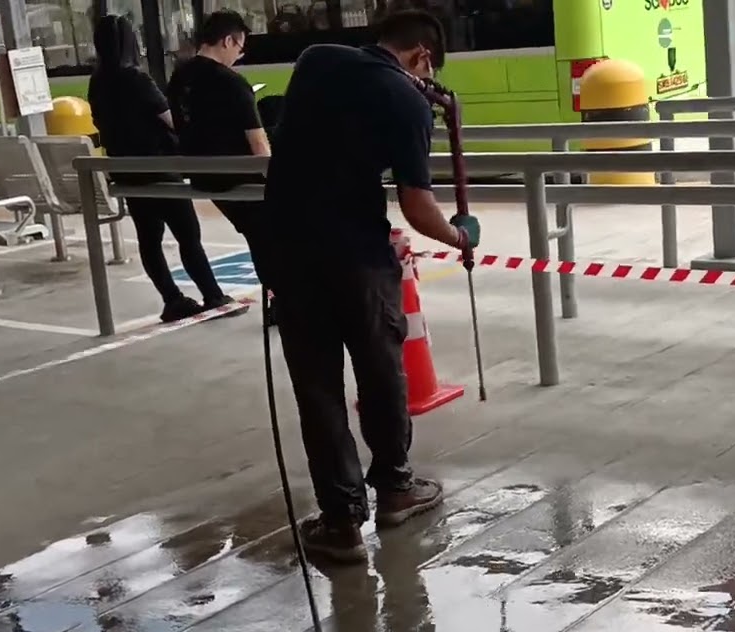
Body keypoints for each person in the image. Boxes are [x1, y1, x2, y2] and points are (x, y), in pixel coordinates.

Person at [262, 10, 481, 563]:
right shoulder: (407, 102)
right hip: (357, 257)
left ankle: (340, 524)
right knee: (381, 373)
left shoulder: (317, 61)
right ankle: (395, 489)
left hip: (287, 253)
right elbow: (418, 208)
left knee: (318, 389)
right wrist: (460, 236)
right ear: (423, 56)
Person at [88, 14, 236, 323]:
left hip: (127, 171)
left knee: (149, 238)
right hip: (158, 167)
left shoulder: (97, 82)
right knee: (188, 234)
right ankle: (213, 295)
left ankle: (172, 299)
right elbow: (171, 120)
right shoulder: (136, 79)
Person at [167, 10, 274, 301]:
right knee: (277, 235)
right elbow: (258, 144)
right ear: (228, 40)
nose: (238, 56)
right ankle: (286, 300)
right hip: (239, 178)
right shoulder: (231, 82)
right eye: (239, 48)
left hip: (204, 178)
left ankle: (279, 297)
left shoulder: (179, 77)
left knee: (259, 236)